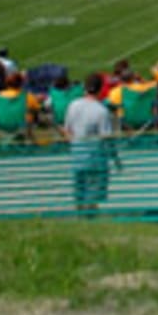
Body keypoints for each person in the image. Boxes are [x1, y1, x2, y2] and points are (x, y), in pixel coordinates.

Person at [63, 73, 121, 216]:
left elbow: (67, 131)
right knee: (93, 196)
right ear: (101, 89)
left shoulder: (73, 105)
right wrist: (116, 159)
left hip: (77, 158)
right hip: (95, 160)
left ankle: (81, 219)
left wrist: (75, 145)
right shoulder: (102, 111)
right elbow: (106, 139)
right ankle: (89, 219)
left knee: (79, 194)